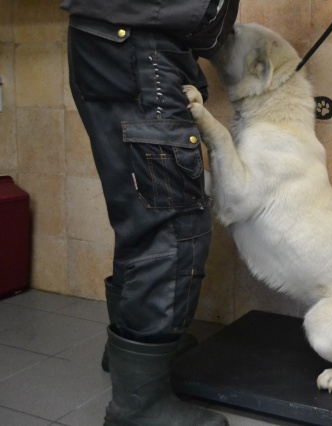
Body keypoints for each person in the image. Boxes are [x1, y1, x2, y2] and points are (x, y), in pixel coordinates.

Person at [60, 1, 239, 425]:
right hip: (138, 53)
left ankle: (133, 354)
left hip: (113, 45)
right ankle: (140, 404)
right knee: (172, 227)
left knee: (143, 212)